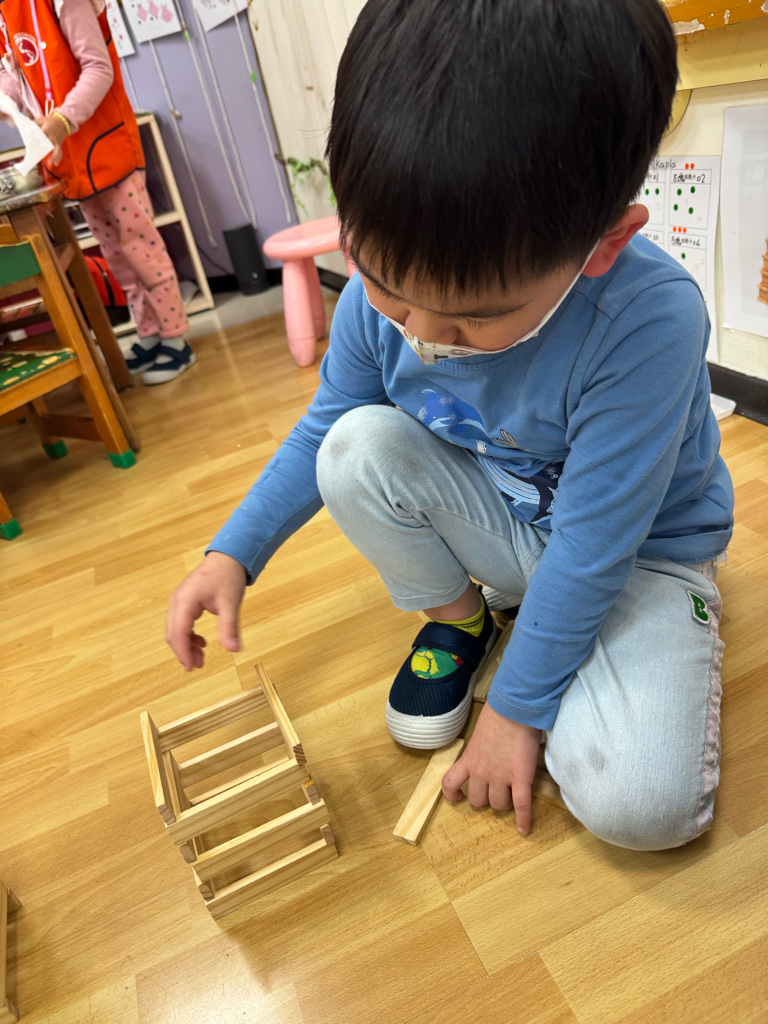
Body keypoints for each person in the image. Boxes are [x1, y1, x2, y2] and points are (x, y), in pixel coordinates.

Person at [166, 0, 734, 852]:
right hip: (516, 527)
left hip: (639, 557)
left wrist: (514, 711)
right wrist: (232, 553)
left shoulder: (648, 321)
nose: (424, 335)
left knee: (642, 809)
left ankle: (546, 643)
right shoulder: (381, 300)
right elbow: (323, 432)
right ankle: (467, 620)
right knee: (354, 447)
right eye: (389, 290)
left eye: (476, 318)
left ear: (603, 245)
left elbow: (594, 547)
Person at [0, 0, 195, 384]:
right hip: (72, 159)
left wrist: (62, 119)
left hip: (108, 146)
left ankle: (176, 339)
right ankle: (149, 333)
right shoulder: (6, 10)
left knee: (141, 248)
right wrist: (7, 99)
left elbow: (98, 68)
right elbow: (14, 69)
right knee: (116, 256)